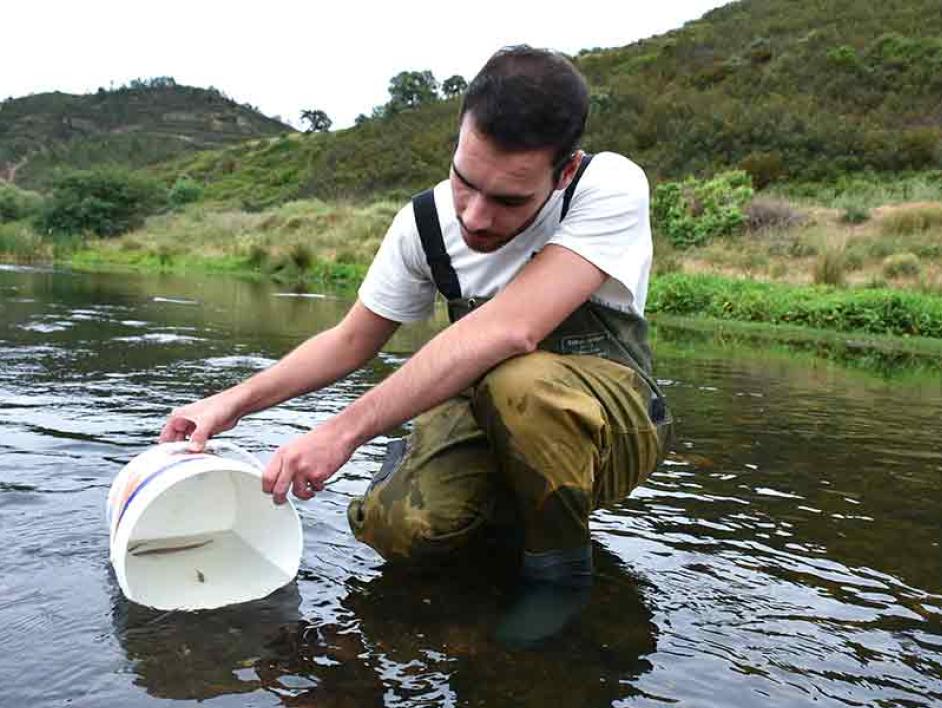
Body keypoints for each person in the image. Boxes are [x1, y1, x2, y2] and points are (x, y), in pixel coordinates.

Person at [160, 45, 672, 595]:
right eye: (465, 181)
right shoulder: (422, 225)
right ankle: (500, 515)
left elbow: (511, 329)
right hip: (484, 406)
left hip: (611, 423)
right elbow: (351, 339)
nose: (474, 216)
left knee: (522, 382)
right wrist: (233, 401)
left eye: (508, 200)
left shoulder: (608, 186)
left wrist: (342, 432)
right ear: (458, 137)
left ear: (564, 171)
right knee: (397, 528)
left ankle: (561, 579)